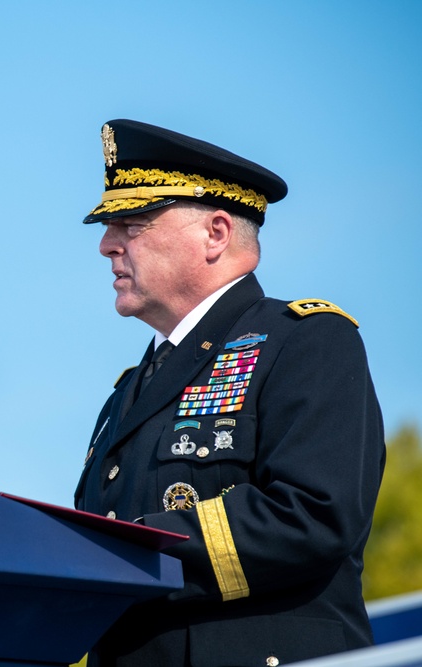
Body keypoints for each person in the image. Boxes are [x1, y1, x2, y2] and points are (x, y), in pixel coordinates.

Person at [73, 119, 385, 667]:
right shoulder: (126, 392)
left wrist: (131, 550)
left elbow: (314, 514)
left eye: (132, 223)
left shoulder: (306, 341)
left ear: (216, 234)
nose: (106, 245)